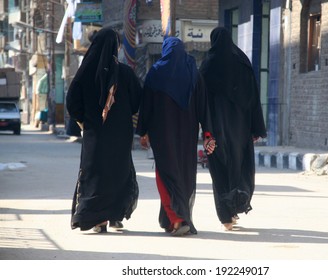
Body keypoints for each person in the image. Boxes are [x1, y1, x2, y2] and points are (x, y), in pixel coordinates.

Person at [136, 37, 216, 236]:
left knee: (165, 173)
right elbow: (203, 106)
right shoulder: (193, 74)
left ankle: (178, 218)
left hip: (161, 134)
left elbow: (146, 105)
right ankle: (175, 219)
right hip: (187, 134)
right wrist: (207, 132)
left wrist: (143, 131)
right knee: (185, 173)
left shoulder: (156, 72)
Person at [66, 28, 142, 233]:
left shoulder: (85, 73)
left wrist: (84, 120)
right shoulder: (125, 73)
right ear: (115, 47)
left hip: (94, 134)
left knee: (95, 173)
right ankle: (115, 214)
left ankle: (97, 219)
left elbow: (72, 102)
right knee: (119, 171)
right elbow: (137, 100)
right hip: (120, 134)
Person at [199, 27, 267, 231]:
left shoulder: (208, 64)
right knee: (239, 168)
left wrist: (205, 130)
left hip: (215, 129)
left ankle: (226, 217)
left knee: (219, 170)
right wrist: (256, 129)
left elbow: (202, 101)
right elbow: (254, 98)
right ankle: (235, 207)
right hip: (241, 129)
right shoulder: (242, 62)